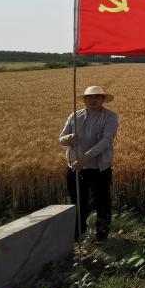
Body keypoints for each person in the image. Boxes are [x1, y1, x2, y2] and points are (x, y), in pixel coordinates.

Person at [58, 85, 119, 241]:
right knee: (77, 202)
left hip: (99, 168)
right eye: (89, 97)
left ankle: (102, 234)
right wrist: (68, 138)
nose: (93, 100)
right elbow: (61, 139)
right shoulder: (74, 115)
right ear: (84, 100)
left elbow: (106, 140)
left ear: (103, 99)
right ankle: (78, 233)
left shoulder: (110, 117)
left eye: (97, 97)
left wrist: (86, 158)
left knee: (102, 202)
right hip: (75, 168)